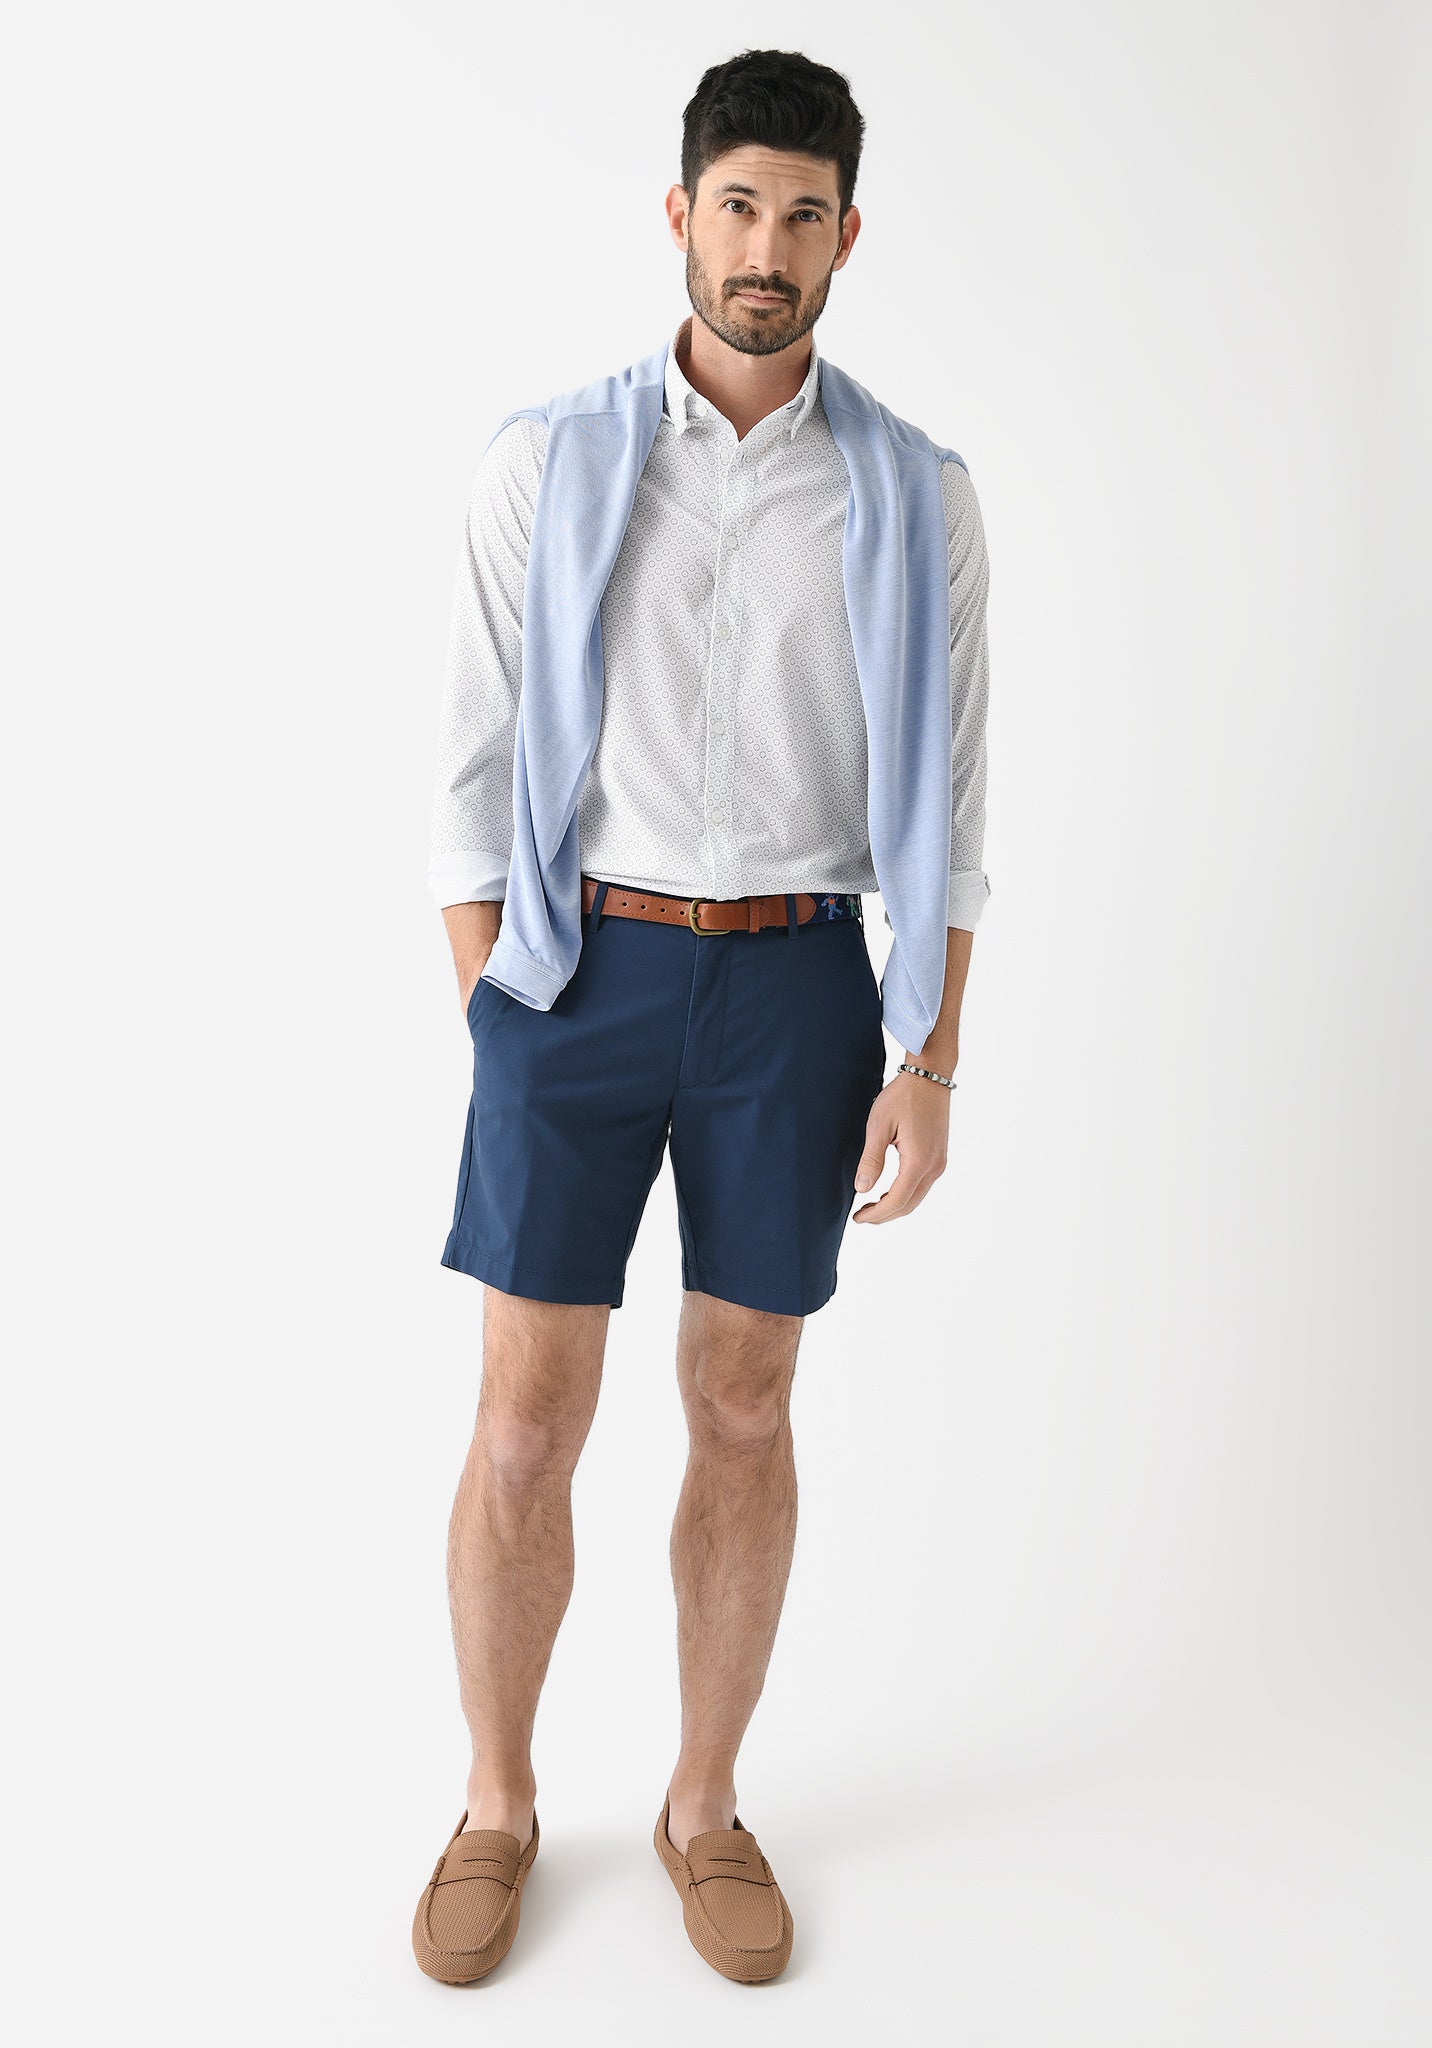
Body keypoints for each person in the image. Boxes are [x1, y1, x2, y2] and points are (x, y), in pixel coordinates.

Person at [414, 47, 992, 1986]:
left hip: (800, 981)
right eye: (737, 205)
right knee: (523, 1420)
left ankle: (704, 1802)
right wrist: (498, 1014)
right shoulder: (548, 461)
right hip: (577, 977)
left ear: (847, 237)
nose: (766, 246)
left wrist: (929, 1055)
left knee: (745, 1407)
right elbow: (468, 773)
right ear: (680, 215)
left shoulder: (916, 494)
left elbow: (953, 811)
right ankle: (498, 1803)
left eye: (802, 213)